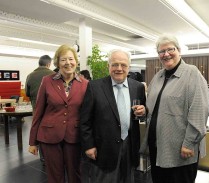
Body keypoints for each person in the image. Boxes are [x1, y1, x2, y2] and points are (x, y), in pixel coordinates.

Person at [140, 34, 208, 183]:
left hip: (180, 149)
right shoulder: (158, 76)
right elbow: (153, 106)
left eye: (170, 49)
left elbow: (199, 112)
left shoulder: (192, 73)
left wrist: (189, 143)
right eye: (161, 52)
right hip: (157, 145)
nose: (166, 54)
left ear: (179, 50)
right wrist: (144, 111)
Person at [80, 49, 146, 183]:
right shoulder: (94, 87)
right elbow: (85, 120)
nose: (119, 69)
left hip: (130, 144)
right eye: (115, 64)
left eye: (123, 65)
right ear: (108, 66)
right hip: (103, 147)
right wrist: (89, 146)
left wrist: (143, 112)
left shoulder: (138, 87)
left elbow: (141, 115)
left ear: (129, 67)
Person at [28, 45, 88, 183]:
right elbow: (38, 111)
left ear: (76, 61)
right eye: (63, 60)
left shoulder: (85, 84)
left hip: (74, 136)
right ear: (57, 62)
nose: (68, 63)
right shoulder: (47, 81)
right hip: (49, 136)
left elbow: (87, 113)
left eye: (71, 59)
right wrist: (33, 142)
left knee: (75, 174)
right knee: (54, 176)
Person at [25, 55, 55, 164]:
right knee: (50, 130)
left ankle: (43, 157)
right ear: (48, 64)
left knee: (39, 129)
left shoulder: (30, 75)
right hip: (51, 109)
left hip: (36, 107)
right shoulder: (53, 75)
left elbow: (27, 93)